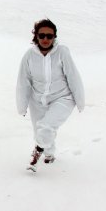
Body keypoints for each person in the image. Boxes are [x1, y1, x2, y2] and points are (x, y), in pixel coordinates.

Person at [16, 19, 84, 170]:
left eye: (49, 36)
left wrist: (79, 100)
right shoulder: (29, 56)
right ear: (36, 36)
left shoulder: (62, 52)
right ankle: (49, 154)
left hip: (63, 98)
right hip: (37, 99)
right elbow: (23, 82)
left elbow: (73, 76)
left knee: (46, 127)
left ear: (54, 37)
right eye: (42, 35)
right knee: (39, 130)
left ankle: (37, 153)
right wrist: (22, 106)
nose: (46, 39)